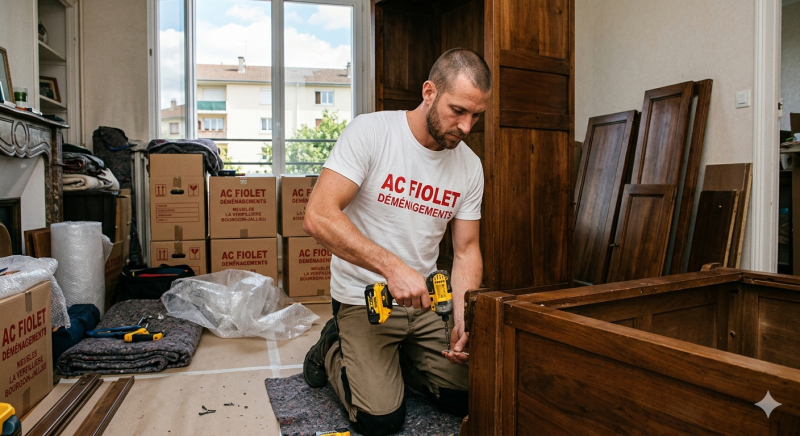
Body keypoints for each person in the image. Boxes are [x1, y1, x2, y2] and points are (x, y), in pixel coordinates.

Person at [301, 48, 491, 436]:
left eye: (476, 115)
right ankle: (332, 346)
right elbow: (318, 214)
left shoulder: (470, 166)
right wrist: (392, 267)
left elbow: (467, 250)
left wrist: (461, 317)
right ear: (429, 92)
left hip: (425, 303)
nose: (467, 126)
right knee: (381, 420)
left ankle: (400, 357)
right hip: (363, 298)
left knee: (469, 397)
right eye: (458, 110)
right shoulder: (371, 132)